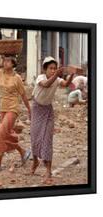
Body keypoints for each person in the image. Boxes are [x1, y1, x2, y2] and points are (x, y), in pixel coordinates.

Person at [0, 40, 31, 172]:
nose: (5, 63)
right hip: (3, 108)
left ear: (13, 64)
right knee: (6, 134)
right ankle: (22, 151)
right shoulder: (0, 74)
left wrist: (29, 110)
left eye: (8, 61)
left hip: (13, 109)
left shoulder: (17, 78)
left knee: (1, 133)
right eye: (4, 61)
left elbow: (24, 95)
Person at [30, 56, 77, 184]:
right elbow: (46, 84)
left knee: (47, 140)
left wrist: (72, 75)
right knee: (35, 138)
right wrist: (56, 74)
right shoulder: (41, 78)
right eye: (50, 68)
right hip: (37, 109)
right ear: (45, 69)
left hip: (48, 111)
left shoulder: (57, 79)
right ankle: (35, 161)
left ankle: (48, 170)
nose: (53, 70)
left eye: (55, 68)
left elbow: (66, 84)